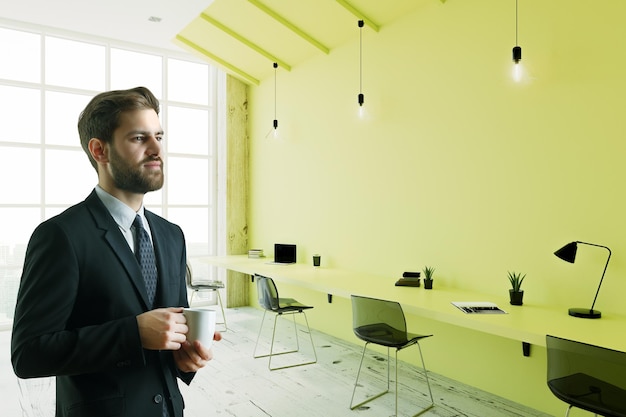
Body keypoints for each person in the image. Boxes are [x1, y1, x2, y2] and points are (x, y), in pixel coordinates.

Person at [11, 86, 221, 417]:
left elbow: (169, 333)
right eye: (139, 138)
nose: (156, 150)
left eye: (159, 137)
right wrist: (133, 333)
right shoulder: (60, 236)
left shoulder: (171, 236)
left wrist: (184, 359)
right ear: (100, 150)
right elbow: (29, 354)